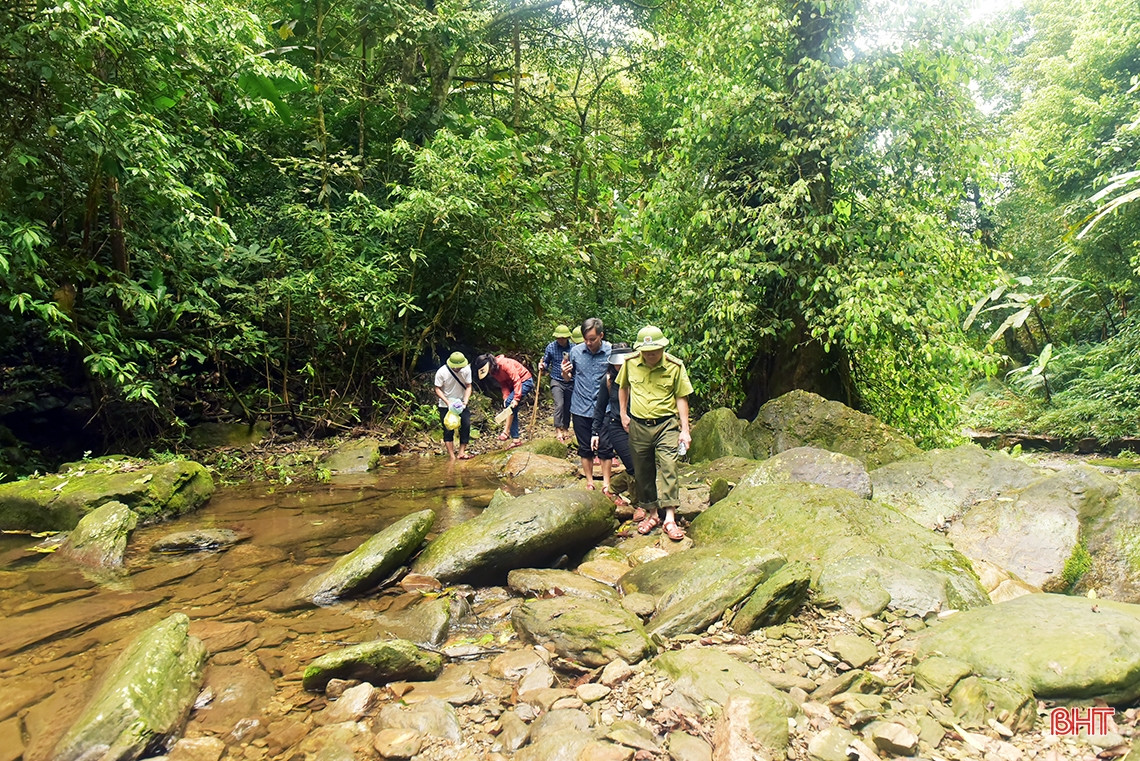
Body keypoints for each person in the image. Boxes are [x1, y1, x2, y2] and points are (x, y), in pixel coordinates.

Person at [618, 325, 693, 541]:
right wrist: (623, 413)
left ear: (662, 347)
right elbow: (622, 387)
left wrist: (685, 430)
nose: (650, 354)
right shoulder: (630, 363)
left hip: (666, 425)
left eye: (655, 350)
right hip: (638, 425)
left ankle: (669, 517)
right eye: (646, 351)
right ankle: (652, 513)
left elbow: (681, 397)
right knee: (643, 470)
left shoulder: (675, 366)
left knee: (669, 466)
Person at [562, 318, 611, 490]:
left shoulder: (610, 351)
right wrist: (565, 373)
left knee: (605, 446)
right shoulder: (575, 352)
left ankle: (606, 483)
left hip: (605, 407)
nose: (588, 343)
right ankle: (589, 482)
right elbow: (568, 379)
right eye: (585, 339)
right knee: (584, 447)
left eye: (592, 339)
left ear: (601, 335)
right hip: (580, 405)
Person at [591, 343, 636, 505]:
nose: (619, 366)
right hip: (616, 426)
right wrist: (595, 432)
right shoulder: (609, 380)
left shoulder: (639, 377)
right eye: (616, 363)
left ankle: (612, 490)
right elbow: (600, 407)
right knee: (633, 467)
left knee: (643, 467)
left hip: (639, 426)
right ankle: (638, 504)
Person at [475, 353, 534, 446]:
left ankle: (506, 432)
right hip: (512, 386)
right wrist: (505, 397)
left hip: (525, 381)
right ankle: (516, 439)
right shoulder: (494, 372)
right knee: (510, 406)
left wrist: (516, 398)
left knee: (511, 404)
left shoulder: (504, 364)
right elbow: (503, 384)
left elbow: (517, 380)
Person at [434, 351, 473, 461]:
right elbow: (437, 388)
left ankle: (461, 452)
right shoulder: (442, 372)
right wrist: (447, 402)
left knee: (466, 425)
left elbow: (469, 386)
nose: (459, 369)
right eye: (457, 367)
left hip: (461, 404)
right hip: (445, 405)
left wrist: (465, 402)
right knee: (448, 428)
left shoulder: (466, 369)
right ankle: (452, 456)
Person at [540, 325, 574, 442]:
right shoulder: (551, 347)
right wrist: (542, 366)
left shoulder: (573, 348)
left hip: (570, 380)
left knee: (568, 405)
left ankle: (565, 427)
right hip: (556, 380)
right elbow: (546, 362)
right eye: (558, 338)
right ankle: (558, 429)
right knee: (559, 404)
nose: (560, 340)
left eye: (563, 338)